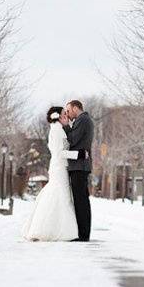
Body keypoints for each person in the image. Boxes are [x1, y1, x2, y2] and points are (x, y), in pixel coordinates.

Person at [21, 107, 87, 242]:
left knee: (60, 195)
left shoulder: (58, 129)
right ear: (57, 117)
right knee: (60, 195)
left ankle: (55, 228)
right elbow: (59, 153)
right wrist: (78, 155)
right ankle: (51, 229)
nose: (66, 116)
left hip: (60, 167)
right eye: (64, 114)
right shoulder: (56, 131)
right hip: (59, 167)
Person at [63, 100, 94, 242]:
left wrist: (65, 127)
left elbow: (73, 140)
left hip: (80, 167)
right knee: (81, 200)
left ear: (76, 108)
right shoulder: (82, 120)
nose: (67, 114)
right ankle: (83, 233)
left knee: (81, 201)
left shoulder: (83, 120)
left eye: (68, 111)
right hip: (79, 166)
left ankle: (83, 235)